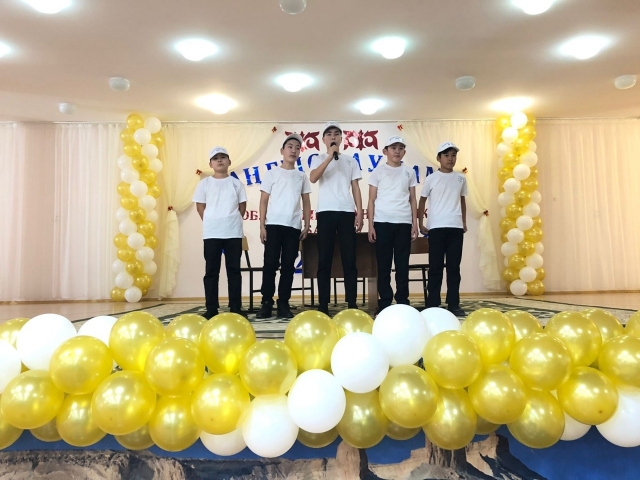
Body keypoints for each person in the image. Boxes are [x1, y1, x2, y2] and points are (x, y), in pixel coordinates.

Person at [310, 122, 364, 315]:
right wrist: (329, 157)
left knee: (349, 258)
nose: (333, 137)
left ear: (341, 138)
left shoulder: (350, 161)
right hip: (325, 212)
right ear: (323, 139)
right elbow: (313, 178)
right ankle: (323, 304)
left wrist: (360, 212)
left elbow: (355, 187)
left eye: (336, 134)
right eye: (329, 134)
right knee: (324, 259)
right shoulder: (317, 158)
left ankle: (352, 303)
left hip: (346, 212)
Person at [256, 133, 311, 319]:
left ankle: (283, 303)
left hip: (293, 227)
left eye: (297, 148)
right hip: (273, 225)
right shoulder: (272, 173)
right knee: (270, 265)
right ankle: (266, 302)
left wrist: (307, 224)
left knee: (288, 266)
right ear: (282, 151)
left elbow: (306, 202)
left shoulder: (301, 176)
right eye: (290, 147)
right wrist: (262, 226)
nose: (293, 150)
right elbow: (263, 200)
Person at [192, 146, 247, 319]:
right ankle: (211, 308)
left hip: (233, 233)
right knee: (211, 272)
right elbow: (200, 206)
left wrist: (231, 221)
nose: (220, 160)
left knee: (234, 271)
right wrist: (211, 221)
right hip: (211, 233)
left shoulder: (236, 184)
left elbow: (242, 207)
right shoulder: (204, 184)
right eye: (216, 158)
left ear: (229, 161)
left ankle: (235, 307)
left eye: (223, 157)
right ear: (210, 164)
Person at [368, 136, 418, 314]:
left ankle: (403, 300)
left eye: (400, 148)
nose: (397, 151)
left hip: (403, 222)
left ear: (404, 151)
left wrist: (415, 223)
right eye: (393, 147)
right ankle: (385, 302)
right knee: (384, 265)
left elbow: (413, 199)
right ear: (385, 151)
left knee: (402, 265)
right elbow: (371, 200)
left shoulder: (409, 172)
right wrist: (371, 225)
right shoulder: (378, 172)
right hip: (382, 222)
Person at [418, 141, 467, 317]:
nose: (450, 159)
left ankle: (453, 303)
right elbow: (422, 200)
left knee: (454, 268)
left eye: (453, 155)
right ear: (439, 158)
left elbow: (462, 200)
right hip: (436, 227)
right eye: (446, 155)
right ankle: (433, 303)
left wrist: (463, 222)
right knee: (435, 267)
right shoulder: (431, 178)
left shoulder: (461, 178)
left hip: (455, 227)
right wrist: (420, 223)